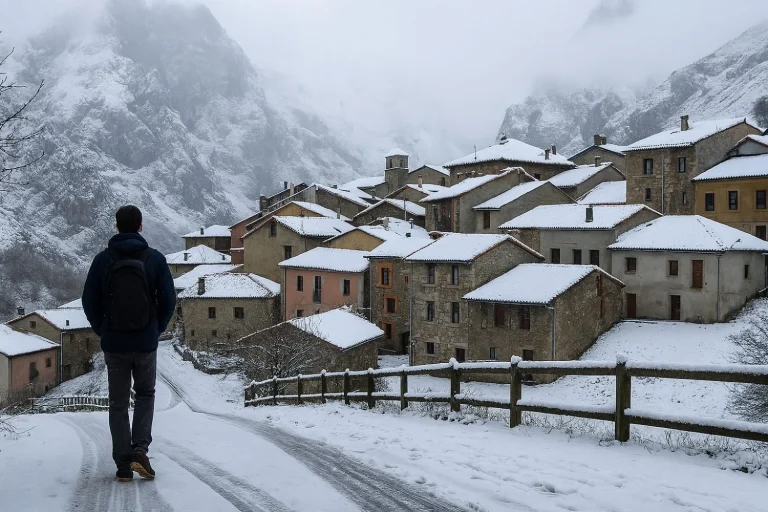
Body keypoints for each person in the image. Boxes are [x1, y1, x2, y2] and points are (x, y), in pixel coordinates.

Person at [82, 205, 175, 482]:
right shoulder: (155, 259)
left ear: (116, 226)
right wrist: (155, 329)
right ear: (140, 226)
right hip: (145, 343)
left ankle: (123, 463)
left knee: (118, 403)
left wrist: (103, 329)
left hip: (115, 344)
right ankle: (140, 451)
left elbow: (89, 300)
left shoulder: (102, 260)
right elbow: (169, 300)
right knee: (145, 395)